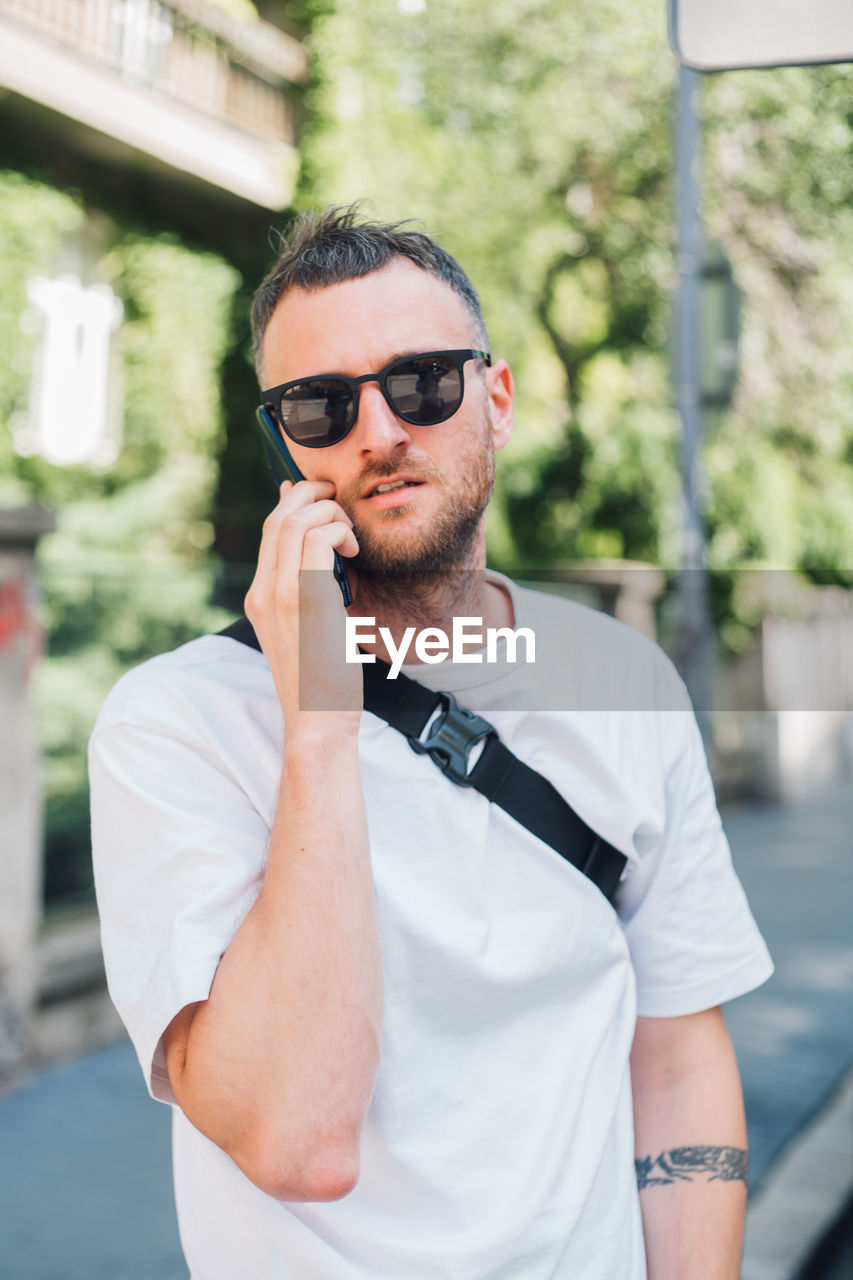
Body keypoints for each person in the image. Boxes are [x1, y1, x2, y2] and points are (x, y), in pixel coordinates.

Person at [90, 205, 774, 1280]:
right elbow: (295, 1136)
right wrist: (320, 718)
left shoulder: (621, 681)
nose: (378, 432)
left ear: (494, 401)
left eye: (422, 383)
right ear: (285, 445)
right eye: (320, 404)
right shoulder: (176, 721)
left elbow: (678, 1055)